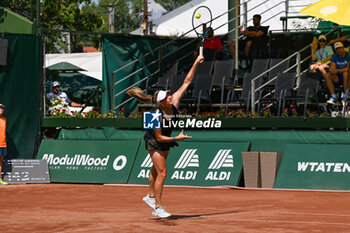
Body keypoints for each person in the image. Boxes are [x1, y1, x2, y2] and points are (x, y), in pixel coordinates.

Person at [127, 55, 204, 218]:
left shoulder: (173, 103)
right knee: (162, 173)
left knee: (156, 170)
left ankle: (149, 196)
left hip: (166, 139)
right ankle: (158, 207)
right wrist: (177, 138)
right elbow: (159, 138)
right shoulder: (155, 115)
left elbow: (186, 82)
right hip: (155, 141)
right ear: (161, 103)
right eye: (166, 97)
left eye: (168, 94)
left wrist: (196, 62)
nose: (170, 96)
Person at [0, 104, 8, 185]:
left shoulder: (4, 119)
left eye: (2, 108)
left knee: (0, 162)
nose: (1, 109)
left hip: (3, 144)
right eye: (0, 108)